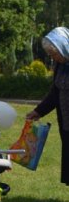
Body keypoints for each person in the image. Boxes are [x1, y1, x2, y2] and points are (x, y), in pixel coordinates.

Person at [26, 27, 69, 186]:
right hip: (66, 123)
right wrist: (39, 111)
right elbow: (55, 93)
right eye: (50, 55)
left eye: (54, 54)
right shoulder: (61, 66)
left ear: (64, 47)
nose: (53, 57)